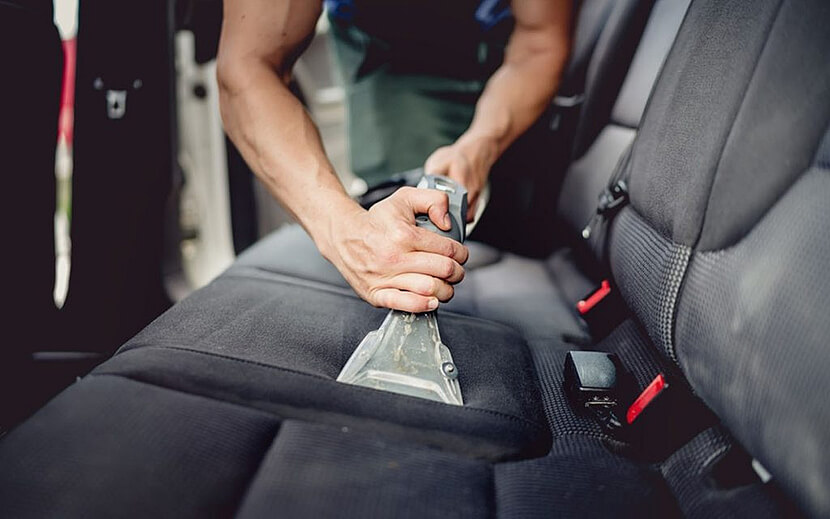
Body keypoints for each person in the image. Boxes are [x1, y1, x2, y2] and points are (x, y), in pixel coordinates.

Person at [217, 0, 572, 313]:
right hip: (390, 48)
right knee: (406, 252)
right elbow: (248, 67)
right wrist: (345, 230)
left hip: (501, 40)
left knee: (504, 219)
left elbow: (539, 41)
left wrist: (479, 146)